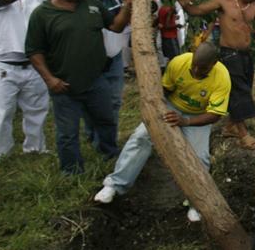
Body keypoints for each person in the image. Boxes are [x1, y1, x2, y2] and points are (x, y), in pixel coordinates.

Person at [93, 42, 229, 222]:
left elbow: (214, 115)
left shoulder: (222, 78)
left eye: (202, 68)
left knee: (200, 157)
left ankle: (196, 203)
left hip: (198, 116)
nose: (196, 71)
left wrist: (185, 121)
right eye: (194, 65)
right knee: (141, 137)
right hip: (172, 107)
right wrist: (158, 110)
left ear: (214, 64)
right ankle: (115, 185)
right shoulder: (179, 62)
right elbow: (164, 89)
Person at [25, 0, 132, 174]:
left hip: (96, 79)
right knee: (68, 132)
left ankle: (109, 154)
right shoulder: (42, 15)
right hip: (64, 84)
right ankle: (72, 171)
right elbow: (34, 51)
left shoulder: (91, 4)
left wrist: (127, 6)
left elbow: (116, 27)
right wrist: (49, 79)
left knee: (106, 120)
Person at [177, 0, 255, 151]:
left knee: (246, 87)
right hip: (229, 54)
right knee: (237, 92)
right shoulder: (223, 1)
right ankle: (243, 134)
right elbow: (198, 11)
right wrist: (185, 5)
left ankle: (231, 126)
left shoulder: (253, 6)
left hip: (246, 54)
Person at [0, 0, 52, 166]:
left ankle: (35, 148)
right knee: (1, 115)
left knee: (36, 110)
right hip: (2, 67)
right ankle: (1, 152)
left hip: (33, 64)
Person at [81, 0, 132, 142]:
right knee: (90, 101)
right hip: (89, 62)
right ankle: (91, 133)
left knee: (114, 101)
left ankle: (107, 138)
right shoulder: (78, 2)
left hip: (114, 58)